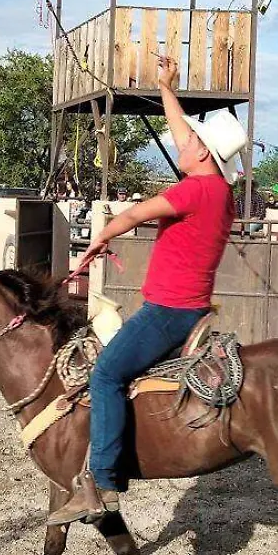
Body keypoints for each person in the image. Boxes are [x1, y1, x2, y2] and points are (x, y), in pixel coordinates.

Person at [47, 54, 246, 526]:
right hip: (187, 307)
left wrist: (100, 236)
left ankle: (101, 485)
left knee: (106, 375)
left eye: (192, 140)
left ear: (202, 153)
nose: (183, 140)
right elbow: (182, 133)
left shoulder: (193, 191)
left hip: (168, 310)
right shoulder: (216, 188)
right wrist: (166, 87)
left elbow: (136, 213)